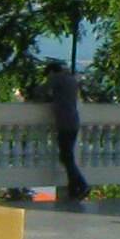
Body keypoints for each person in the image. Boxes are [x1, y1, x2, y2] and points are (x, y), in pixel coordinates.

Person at [41, 53, 90, 205]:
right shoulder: (71, 79)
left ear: (51, 72)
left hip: (64, 122)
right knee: (67, 156)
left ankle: (81, 185)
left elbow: (41, 91)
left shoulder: (57, 78)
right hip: (73, 121)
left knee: (66, 157)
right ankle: (73, 188)